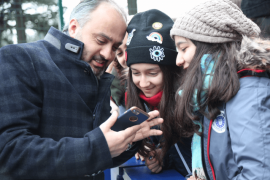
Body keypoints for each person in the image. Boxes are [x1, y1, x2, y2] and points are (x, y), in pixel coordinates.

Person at [0, 0, 164, 179]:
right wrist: (99, 148)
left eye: (115, 47)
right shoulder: (19, 58)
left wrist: (126, 140)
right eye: (101, 40)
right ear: (73, 27)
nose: (108, 54)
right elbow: (9, 152)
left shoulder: (96, 73)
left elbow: (98, 159)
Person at [169, 0, 270, 179]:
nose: (178, 60)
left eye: (184, 48)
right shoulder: (214, 91)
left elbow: (257, 175)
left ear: (210, 44)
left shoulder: (247, 92)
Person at [125, 9, 192, 176]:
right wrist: (162, 157)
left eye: (152, 73)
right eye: (136, 72)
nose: (143, 83)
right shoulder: (139, 105)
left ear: (170, 70)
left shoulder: (191, 102)